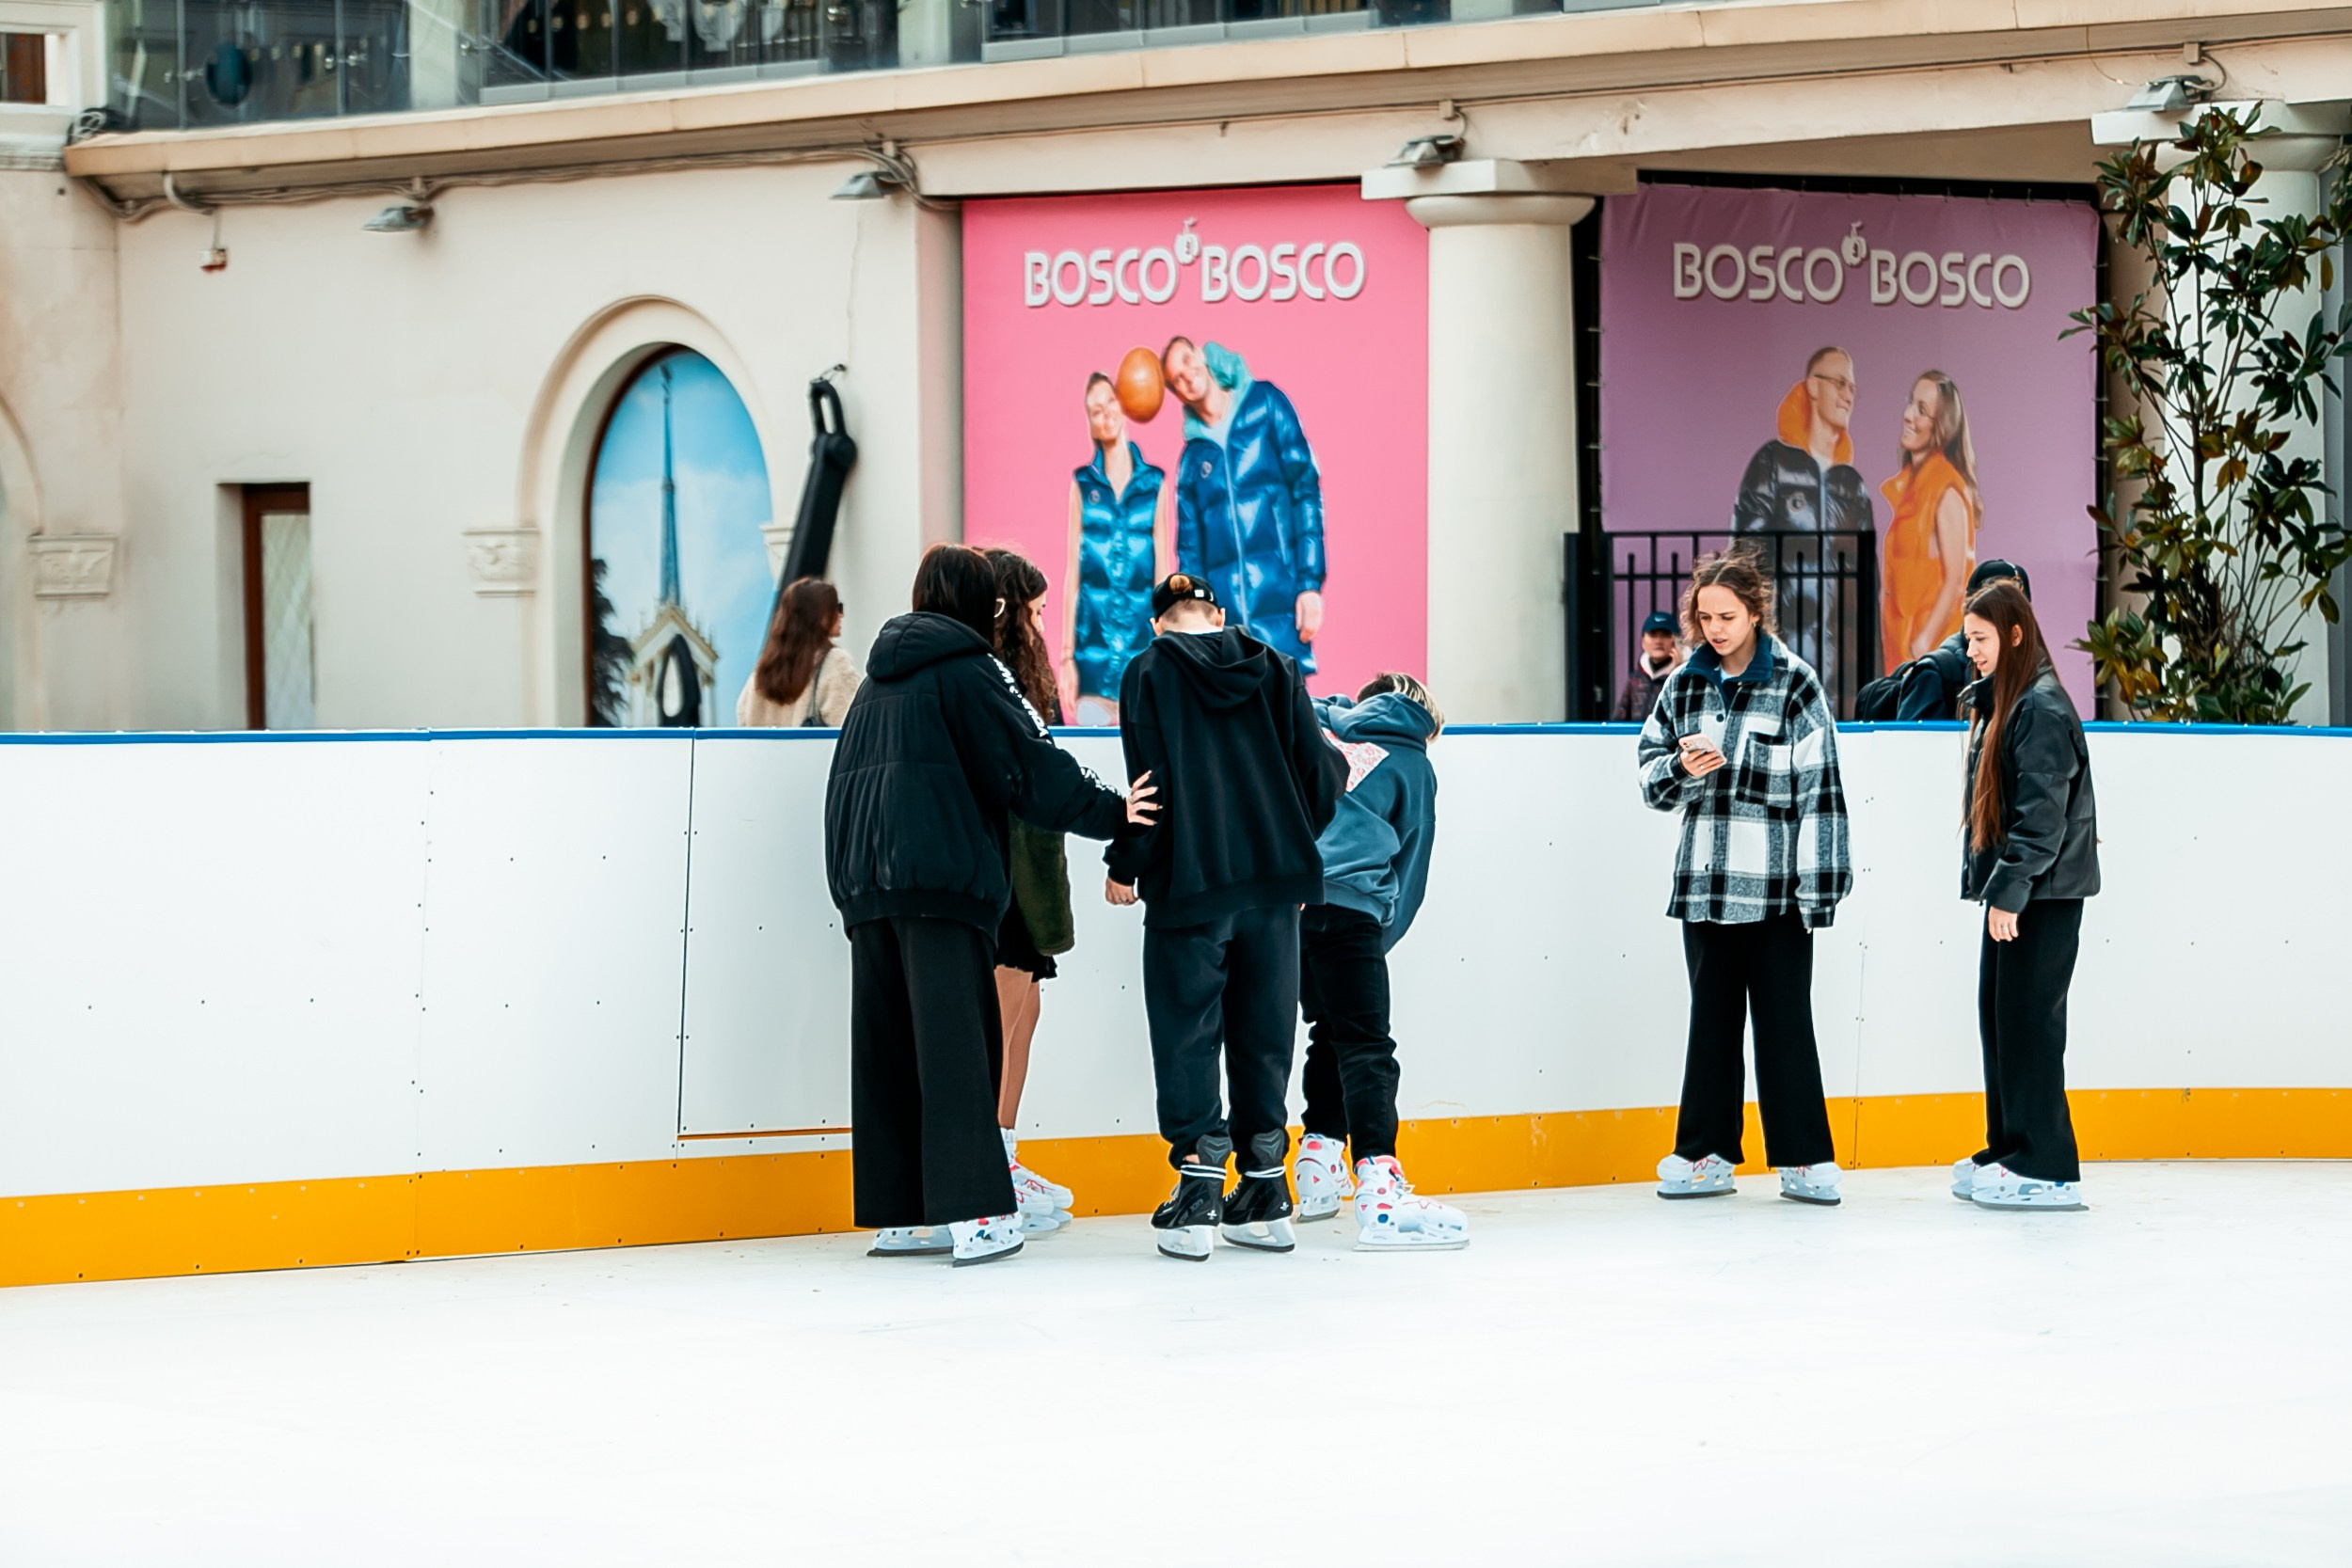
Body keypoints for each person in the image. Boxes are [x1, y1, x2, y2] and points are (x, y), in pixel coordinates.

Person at [823, 544, 1156, 1267]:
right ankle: (975, 1211)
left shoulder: (878, 681)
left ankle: (904, 1216)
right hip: (941, 880)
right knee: (955, 1047)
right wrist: (1115, 813)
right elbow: (1032, 765)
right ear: (989, 606)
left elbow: (845, 780)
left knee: (889, 1049)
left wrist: (851, 878)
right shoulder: (973, 669)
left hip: (868, 882)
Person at [1105, 572, 1347, 1260]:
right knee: (1264, 1032)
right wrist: (1291, 843)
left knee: (1187, 1031)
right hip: (1275, 887)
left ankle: (1198, 1193)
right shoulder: (1274, 665)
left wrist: (1127, 863)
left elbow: (1148, 789)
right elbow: (1319, 773)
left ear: (1159, 622)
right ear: (1219, 616)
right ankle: (1265, 1189)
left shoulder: (1148, 671)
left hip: (1192, 884)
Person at [1635, 546, 1851, 1206]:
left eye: (1727, 615)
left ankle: (1805, 1159)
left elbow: (1821, 789)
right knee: (1712, 1022)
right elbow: (1648, 775)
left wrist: (1821, 888)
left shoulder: (1795, 683)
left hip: (1778, 890)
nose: (1716, 628)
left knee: (1787, 1023)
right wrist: (1681, 768)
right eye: (1705, 617)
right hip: (1705, 886)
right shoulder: (1683, 684)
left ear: (1755, 611)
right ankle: (1704, 1153)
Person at [1293, 673, 1469, 1250]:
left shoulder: (1322, 728)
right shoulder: (1413, 761)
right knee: (1366, 1043)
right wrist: (1378, 933)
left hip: (1287, 907)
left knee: (1327, 1033)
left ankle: (1315, 1166)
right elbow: (1412, 861)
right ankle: (1378, 1178)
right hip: (1351, 913)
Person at [1952, 581, 2100, 1212]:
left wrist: (2011, 893)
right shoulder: (2008, 701)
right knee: (2002, 1018)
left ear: (2014, 635)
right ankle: (2010, 1146)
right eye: (1968, 641)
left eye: (1981, 639)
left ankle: (2046, 1162)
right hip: (2018, 890)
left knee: (2031, 1025)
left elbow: (2044, 818)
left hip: (2043, 893)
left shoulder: (2039, 708)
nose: (1972, 652)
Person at [983, 547, 1081, 1233]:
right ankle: (987, 1160)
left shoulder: (1030, 683)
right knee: (1003, 1008)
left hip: (1033, 862)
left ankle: (1005, 1152)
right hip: (999, 865)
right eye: (1038, 611)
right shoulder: (986, 681)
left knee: (1028, 1007)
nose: (1044, 625)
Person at [1162, 337, 1327, 672]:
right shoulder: (1192, 461)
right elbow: (1191, 556)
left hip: (1282, 607)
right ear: (1176, 393)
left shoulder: (1266, 404)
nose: (1188, 377)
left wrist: (1310, 586)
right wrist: (1195, 627)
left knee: (1288, 717)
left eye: (1187, 361)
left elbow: (1305, 490)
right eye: (1177, 379)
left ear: (1201, 354)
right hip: (1227, 635)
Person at [1732, 346, 1876, 704]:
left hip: (1842, 679)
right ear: (1813, 386)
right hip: (1783, 665)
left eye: (1853, 389)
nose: (1848, 396)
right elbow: (1745, 567)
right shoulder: (1772, 463)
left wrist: (1871, 679)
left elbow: (1867, 590)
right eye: (1840, 383)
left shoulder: (1851, 484)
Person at [1060, 372, 1174, 725]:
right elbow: (1073, 575)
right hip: (1092, 659)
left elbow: (1163, 572)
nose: (1105, 413)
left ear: (1123, 405)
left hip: (1143, 653)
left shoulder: (1154, 483)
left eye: (1109, 401)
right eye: (1095, 410)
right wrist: (1066, 658)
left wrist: (1168, 645)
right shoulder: (1082, 484)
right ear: (1090, 423)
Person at [1881, 370, 1982, 671]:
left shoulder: (1946, 489)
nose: (1908, 415)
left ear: (1942, 429)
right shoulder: (1913, 487)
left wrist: (1924, 644)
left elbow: (1955, 582)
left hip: (1927, 659)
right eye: (1910, 402)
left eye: (1922, 410)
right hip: (1904, 654)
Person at [1874, 559, 2031, 721]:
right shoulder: (1935, 673)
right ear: (1973, 607)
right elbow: (1914, 744)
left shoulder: (2032, 671)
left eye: (2020, 609)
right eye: (1999, 608)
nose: (2012, 619)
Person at [737, 577, 863, 727]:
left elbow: (744, 725)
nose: (842, 614)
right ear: (820, 616)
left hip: (764, 752)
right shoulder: (834, 662)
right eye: (837, 607)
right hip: (819, 752)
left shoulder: (760, 676)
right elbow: (854, 729)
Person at [1613, 610, 1685, 721]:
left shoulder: (1687, 678)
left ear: (1676, 640)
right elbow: (1618, 721)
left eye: (1665, 635)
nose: (1659, 641)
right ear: (1643, 641)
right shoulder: (1635, 679)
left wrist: (1678, 674)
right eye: (1653, 635)